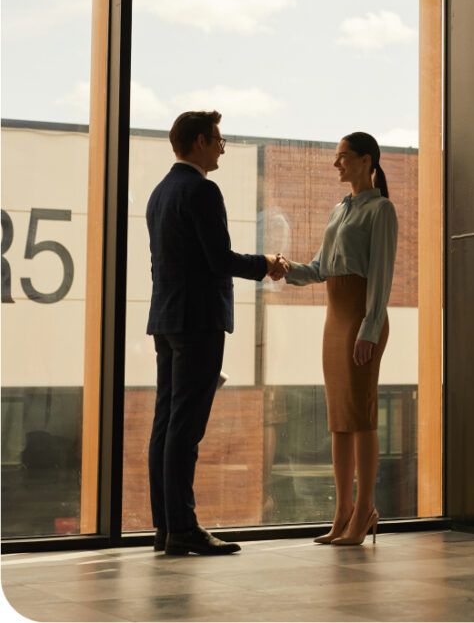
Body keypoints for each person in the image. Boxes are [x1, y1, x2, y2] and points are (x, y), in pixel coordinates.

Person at [146, 110, 288, 556]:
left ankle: (166, 528)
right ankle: (183, 529)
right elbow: (219, 259)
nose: (223, 146)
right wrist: (265, 264)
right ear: (202, 141)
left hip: (167, 319)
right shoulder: (203, 190)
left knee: (166, 425)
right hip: (199, 321)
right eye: (219, 139)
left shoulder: (160, 192)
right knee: (185, 430)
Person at [282, 132, 397, 547]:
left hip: (361, 319)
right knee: (340, 420)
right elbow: (319, 268)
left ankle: (365, 509)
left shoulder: (381, 210)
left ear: (368, 161)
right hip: (335, 319)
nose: (337, 164)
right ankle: (343, 512)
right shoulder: (338, 211)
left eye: (344, 157)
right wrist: (285, 268)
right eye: (337, 158)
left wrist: (369, 327)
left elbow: (381, 277)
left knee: (361, 416)